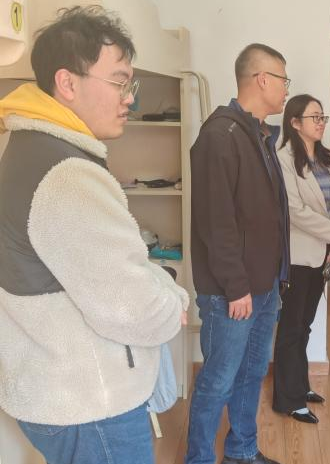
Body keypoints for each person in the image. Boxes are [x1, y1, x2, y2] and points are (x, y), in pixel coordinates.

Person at [0, 6, 189, 464]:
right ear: (67, 83)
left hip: (57, 392)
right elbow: (134, 309)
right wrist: (175, 302)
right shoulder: (67, 176)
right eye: (120, 82)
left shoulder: (27, 148)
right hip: (92, 406)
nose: (130, 99)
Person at [186, 43, 290, 464]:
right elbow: (217, 223)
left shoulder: (258, 135)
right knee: (218, 381)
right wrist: (236, 287)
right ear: (262, 79)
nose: (286, 89)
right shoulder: (220, 136)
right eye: (283, 79)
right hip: (233, 292)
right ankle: (198, 459)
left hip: (263, 286)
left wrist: (275, 279)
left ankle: (242, 452)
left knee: (251, 374)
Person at [273, 94, 330, 424]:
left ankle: (300, 386)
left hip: (323, 255)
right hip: (297, 256)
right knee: (291, 328)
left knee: (304, 325)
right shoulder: (283, 159)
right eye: (314, 117)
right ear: (294, 122)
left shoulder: (325, 158)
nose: (320, 123)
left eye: (322, 117)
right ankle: (287, 400)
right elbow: (293, 210)